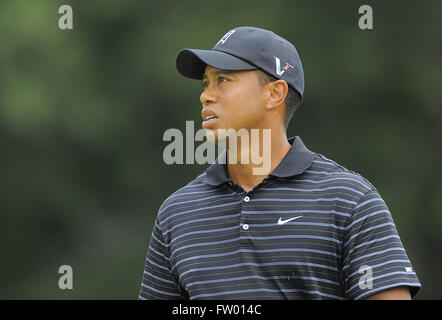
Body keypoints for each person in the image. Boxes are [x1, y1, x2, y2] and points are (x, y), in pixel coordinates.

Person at [139, 26, 421, 300]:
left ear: (274, 94)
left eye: (222, 80)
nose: (205, 95)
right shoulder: (176, 213)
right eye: (205, 83)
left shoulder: (350, 201)